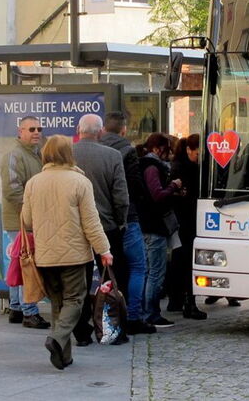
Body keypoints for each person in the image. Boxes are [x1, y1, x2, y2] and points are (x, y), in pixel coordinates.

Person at [21, 135, 112, 371]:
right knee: (75, 300)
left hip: (45, 255)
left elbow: (27, 221)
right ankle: (57, 338)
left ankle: (63, 356)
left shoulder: (33, 183)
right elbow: (91, 223)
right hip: (74, 255)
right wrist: (104, 250)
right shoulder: (80, 182)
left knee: (57, 303)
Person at [71, 114, 130, 346]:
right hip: (106, 226)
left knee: (80, 281)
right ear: (101, 131)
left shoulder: (68, 154)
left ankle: (81, 332)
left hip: (75, 228)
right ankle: (112, 328)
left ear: (79, 129)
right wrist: (120, 221)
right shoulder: (112, 156)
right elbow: (121, 196)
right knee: (113, 279)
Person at [99, 111, 154, 335]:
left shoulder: (96, 149)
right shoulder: (128, 151)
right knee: (138, 267)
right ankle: (133, 316)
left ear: (104, 130)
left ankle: (110, 315)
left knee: (110, 270)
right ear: (123, 130)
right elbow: (135, 185)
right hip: (127, 218)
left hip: (102, 221)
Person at [0, 115, 50, 329]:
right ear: (20, 131)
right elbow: (13, 190)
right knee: (26, 264)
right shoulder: (15, 155)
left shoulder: (36, 154)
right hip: (20, 220)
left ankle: (16, 308)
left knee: (19, 264)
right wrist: (33, 212)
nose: (36, 132)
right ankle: (29, 311)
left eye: (39, 128)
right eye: (31, 129)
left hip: (28, 219)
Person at [137, 133, 183, 328]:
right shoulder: (152, 167)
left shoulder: (144, 165)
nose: (169, 154)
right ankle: (151, 314)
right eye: (166, 150)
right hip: (154, 226)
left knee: (149, 272)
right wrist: (173, 186)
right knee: (155, 272)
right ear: (157, 149)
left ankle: (145, 312)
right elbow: (157, 195)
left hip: (147, 225)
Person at [167, 134, 206, 320]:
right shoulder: (187, 169)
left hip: (182, 219)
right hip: (186, 219)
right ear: (189, 150)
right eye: (197, 154)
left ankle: (176, 299)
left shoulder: (179, 166)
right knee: (186, 260)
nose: (199, 158)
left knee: (179, 259)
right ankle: (188, 301)